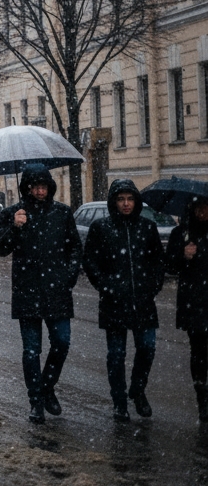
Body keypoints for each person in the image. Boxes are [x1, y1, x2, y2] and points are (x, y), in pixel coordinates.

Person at [0, 164, 82, 424]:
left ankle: (47, 387)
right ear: (27, 188)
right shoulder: (13, 213)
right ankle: (36, 402)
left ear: (50, 187)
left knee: (62, 343)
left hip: (57, 291)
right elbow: (0, 248)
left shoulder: (62, 213)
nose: (40, 191)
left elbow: (75, 248)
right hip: (27, 290)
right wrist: (15, 226)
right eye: (35, 186)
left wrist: (68, 277)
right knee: (32, 350)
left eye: (44, 186)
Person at [82, 180, 165, 421]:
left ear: (136, 201)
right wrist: (106, 286)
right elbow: (90, 262)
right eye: (121, 199)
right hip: (114, 302)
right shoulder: (101, 227)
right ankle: (119, 401)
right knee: (116, 354)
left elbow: (157, 261)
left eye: (130, 199)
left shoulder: (147, 227)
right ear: (114, 202)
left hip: (143, 300)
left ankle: (138, 391)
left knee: (147, 347)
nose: (126, 204)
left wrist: (153, 285)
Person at [167, 197, 208, 422]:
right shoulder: (181, 234)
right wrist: (184, 255)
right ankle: (202, 399)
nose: (203, 212)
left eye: (206, 207)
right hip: (195, 302)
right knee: (199, 352)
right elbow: (170, 265)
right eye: (199, 207)